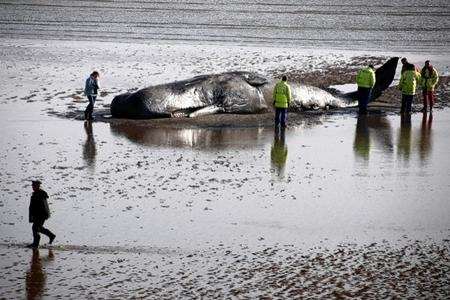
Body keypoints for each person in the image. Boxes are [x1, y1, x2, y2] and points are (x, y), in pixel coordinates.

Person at [27, 180, 55, 248]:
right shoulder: (36, 193)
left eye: (34, 186)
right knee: (38, 228)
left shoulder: (40, 194)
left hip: (40, 215)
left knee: (35, 228)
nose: (32, 187)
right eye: (32, 186)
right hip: (38, 215)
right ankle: (51, 235)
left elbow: (43, 206)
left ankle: (35, 244)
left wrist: (42, 215)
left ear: (38, 186)